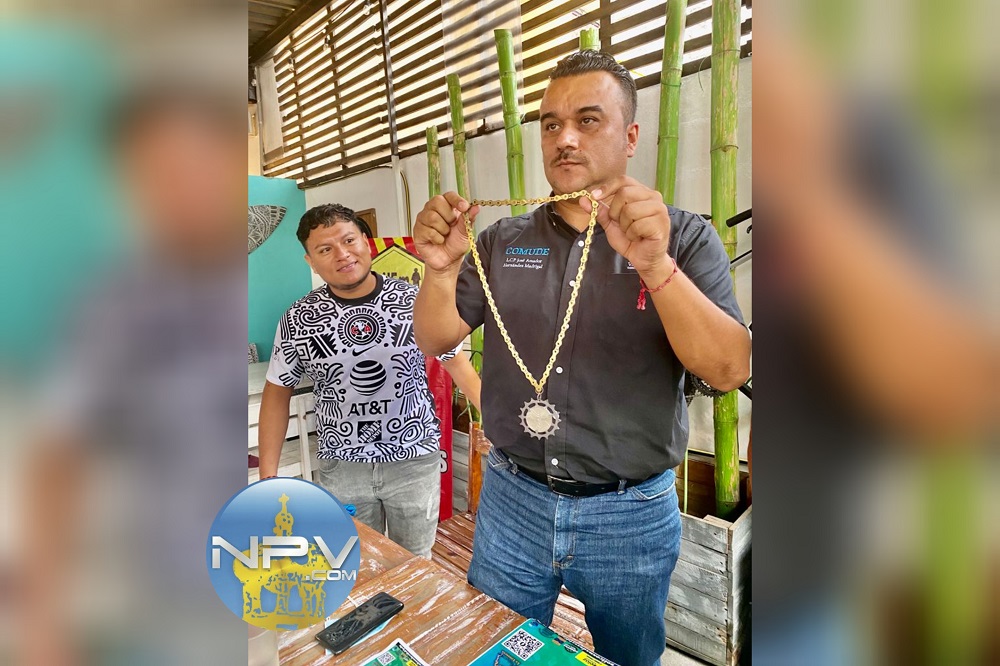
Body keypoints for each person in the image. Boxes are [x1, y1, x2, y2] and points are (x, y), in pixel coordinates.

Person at [412, 50, 750, 666]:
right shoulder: (502, 240)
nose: (564, 138)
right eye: (550, 124)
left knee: (629, 657)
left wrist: (655, 265)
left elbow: (729, 370)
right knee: (499, 650)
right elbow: (434, 340)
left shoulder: (682, 237)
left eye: (588, 120)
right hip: (512, 500)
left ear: (631, 136)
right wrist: (439, 269)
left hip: (629, 513)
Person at [259, 203, 482, 558]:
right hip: (342, 465)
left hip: (413, 459)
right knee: (356, 562)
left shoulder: (414, 300)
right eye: (325, 249)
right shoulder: (299, 318)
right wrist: (267, 476)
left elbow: (457, 364)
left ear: (366, 242)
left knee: (415, 562)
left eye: (349, 240)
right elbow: (277, 389)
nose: (342, 254)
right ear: (310, 261)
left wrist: (503, 432)